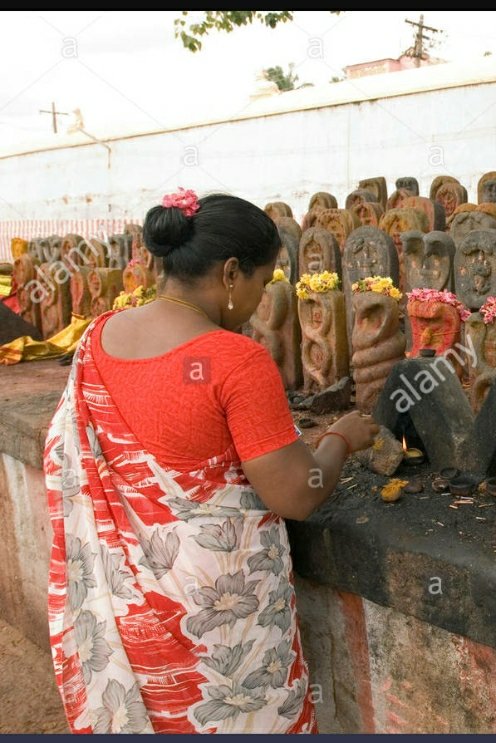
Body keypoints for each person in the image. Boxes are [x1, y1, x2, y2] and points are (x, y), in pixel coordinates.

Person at [42, 189, 379, 733]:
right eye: (263, 282)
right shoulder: (235, 359)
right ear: (230, 273)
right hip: (216, 626)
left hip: (128, 619)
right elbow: (297, 493)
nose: (262, 298)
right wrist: (341, 438)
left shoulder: (98, 338)